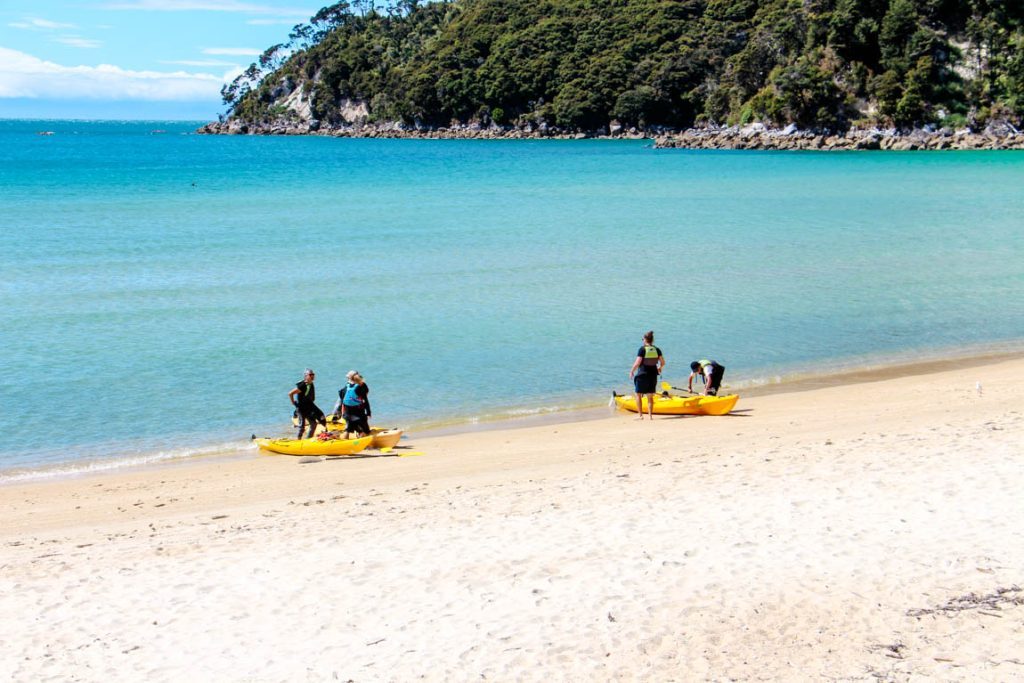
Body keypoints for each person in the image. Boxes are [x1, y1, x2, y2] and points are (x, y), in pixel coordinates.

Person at [629, 330, 665, 419]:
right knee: (650, 396)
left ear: (645, 339)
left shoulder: (642, 349)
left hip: (642, 375)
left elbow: (637, 363)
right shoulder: (657, 349)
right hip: (653, 375)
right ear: (652, 340)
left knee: (638, 394)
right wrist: (660, 368)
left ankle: (640, 415)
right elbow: (663, 362)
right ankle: (650, 416)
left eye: (643, 339)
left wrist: (632, 371)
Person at [289, 368, 326, 439]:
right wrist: (293, 402)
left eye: (313, 374)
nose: (312, 376)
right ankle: (298, 440)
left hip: (308, 408)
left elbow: (312, 396)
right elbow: (290, 393)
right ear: (306, 376)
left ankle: (308, 440)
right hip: (301, 408)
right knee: (302, 427)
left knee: (314, 424)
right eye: (310, 374)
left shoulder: (311, 384)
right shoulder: (302, 385)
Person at [338, 370, 371, 438]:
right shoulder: (361, 386)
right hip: (358, 413)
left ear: (349, 378)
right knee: (366, 431)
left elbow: (342, 399)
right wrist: (368, 413)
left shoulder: (346, 386)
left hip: (347, 413)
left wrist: (341, 413)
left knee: (349, 426)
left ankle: (347, 440)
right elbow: (365, 400)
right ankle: (362, 436)